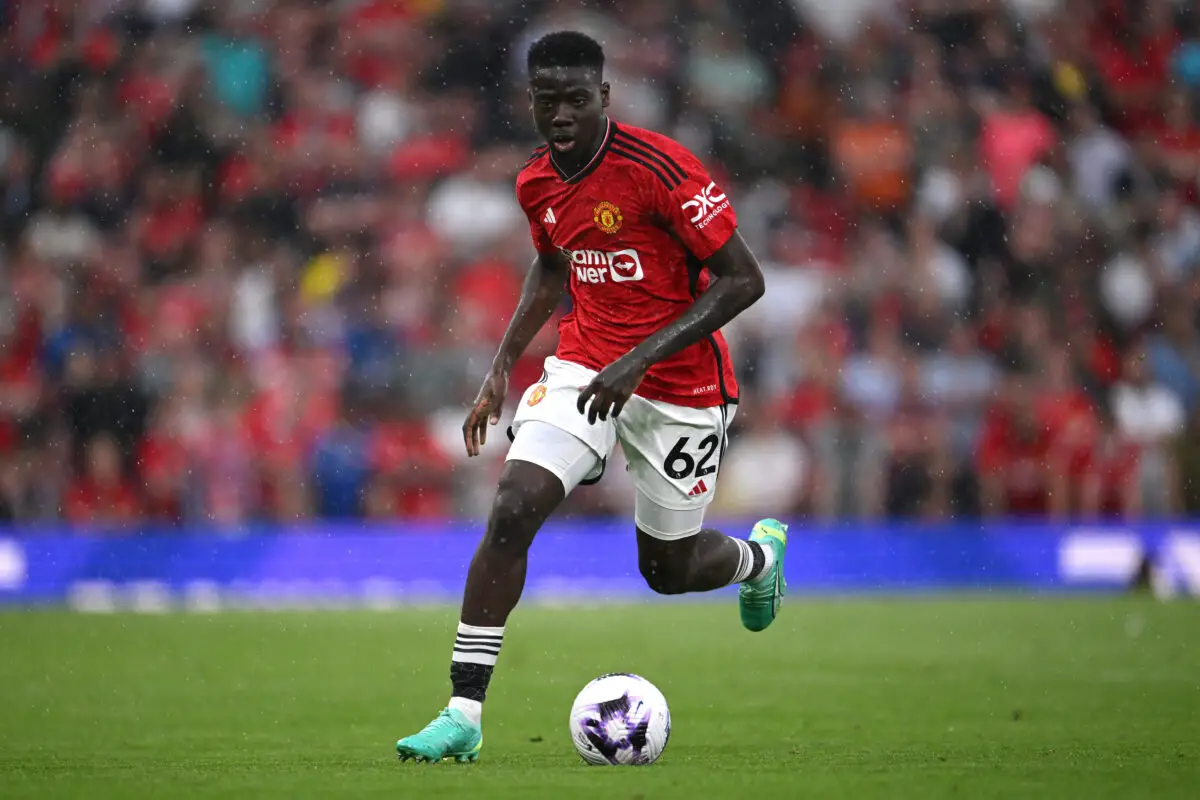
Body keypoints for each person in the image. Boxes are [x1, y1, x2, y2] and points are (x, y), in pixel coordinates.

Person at [395, 31, 787, 764]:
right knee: (513, 507)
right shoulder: (536, 181)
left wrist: (640, 359)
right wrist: (499, 370)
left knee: (667, 571)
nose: (562, 115)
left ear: (605, 96)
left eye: (577, 99)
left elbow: (744, 281)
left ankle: (757, 561)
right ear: (533, 103)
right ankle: (462, 713)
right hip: (585, 365)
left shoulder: (663, 169)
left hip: (683, 384)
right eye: (548, 102)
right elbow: (550, 269)